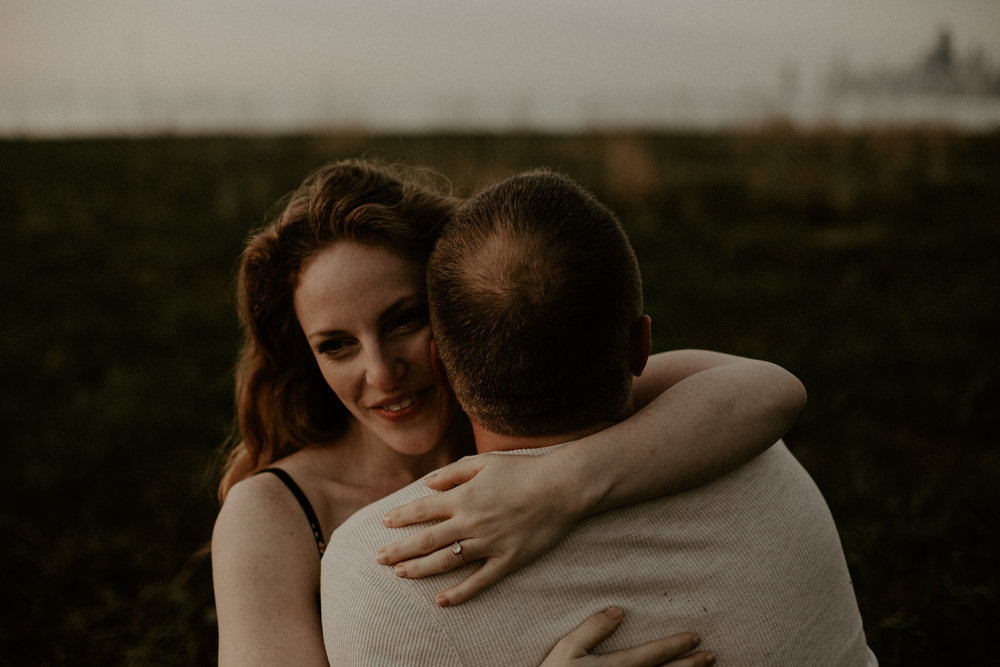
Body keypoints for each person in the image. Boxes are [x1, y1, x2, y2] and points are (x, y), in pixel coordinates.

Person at [212, 159, 807, 666]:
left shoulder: (532, 405)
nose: (381, 373)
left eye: (403, 320)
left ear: (458, 308)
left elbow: (770, 389)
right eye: (336, 345)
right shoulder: (271, 514)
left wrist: (559, 484)